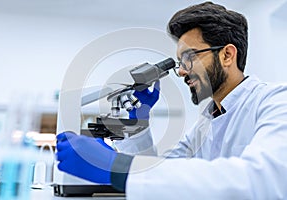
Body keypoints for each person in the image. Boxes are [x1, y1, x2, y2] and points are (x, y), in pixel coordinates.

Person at [56, 1, 287, 199]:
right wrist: (139, 126)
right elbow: (160, 176)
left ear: (227, 55)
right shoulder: (205, 124)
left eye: (189, 58)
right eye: (180, 63)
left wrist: (116, 167)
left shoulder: (276, 102)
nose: (183, 72)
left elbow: (262, 181)